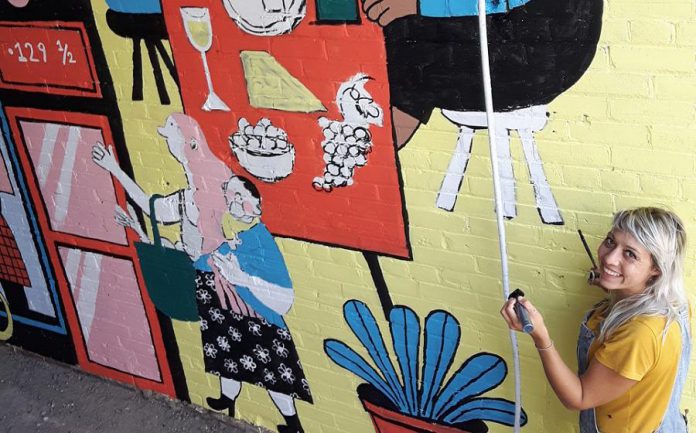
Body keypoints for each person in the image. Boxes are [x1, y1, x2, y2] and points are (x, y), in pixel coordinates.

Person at [501, 207, 691, 433]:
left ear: (656, 270)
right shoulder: (675, 303)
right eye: (611, 241)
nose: (610, 258)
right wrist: (615, 283)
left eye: (630, 254)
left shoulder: (640, 333)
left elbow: (578, 397)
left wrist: (540, 336)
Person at [200, 174, 312, 433]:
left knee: (273, 373)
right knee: (229, 358)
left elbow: (284, 298)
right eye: (231, 197)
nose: (235, 203)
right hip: (234, 313)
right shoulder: (238, 238)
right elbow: (209, 260)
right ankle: (228, 398)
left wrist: (242, 278)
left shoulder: (261, 240)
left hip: (263, 320)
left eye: (241, 197)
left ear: (257, 203)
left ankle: (292, 422)